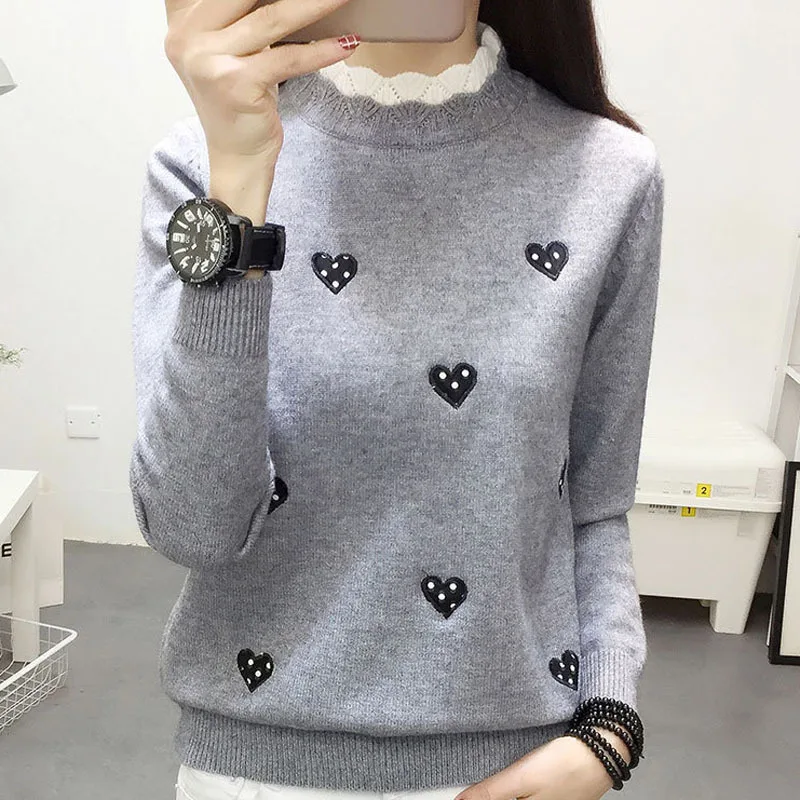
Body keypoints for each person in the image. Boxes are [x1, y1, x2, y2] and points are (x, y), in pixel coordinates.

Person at [129, 0, 664, 798]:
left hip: (510, 771)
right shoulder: (199, 168)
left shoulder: (610, 173)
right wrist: (238, 189)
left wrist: (610, 728)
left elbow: (595, 497)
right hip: (255, 772)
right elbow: (194, 526)